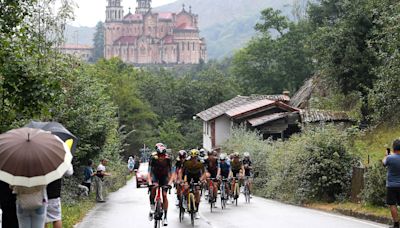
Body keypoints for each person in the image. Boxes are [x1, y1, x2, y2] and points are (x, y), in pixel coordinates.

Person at [148, 143, 173, 226]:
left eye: (162, 155)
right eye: (159, 155)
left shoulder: (168, 159)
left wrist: (169, 183)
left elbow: (171, 173)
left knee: (165, 195)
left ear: (165, 155)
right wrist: (150, 182)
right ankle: (152, 206)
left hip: (164, 176)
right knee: (154, 188)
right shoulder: (153, 158)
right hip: (155, 175)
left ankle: (165, 217)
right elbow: (149, 172)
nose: (161, 157)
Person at [181, 149, 206, 219]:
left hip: (197, 175)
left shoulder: (201, 161)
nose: (193, 159)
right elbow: (184, 173)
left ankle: (197, 211)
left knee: (197, 192)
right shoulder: (187, 161)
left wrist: (201, 180)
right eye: (192, 158)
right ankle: (184, 199)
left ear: (197, 157)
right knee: (186, 188)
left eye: (195, 158)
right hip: (188, 174)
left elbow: (204, 173)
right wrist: (185, 182)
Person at [383, 139, 400, 228]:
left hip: (391, 185)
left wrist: (386, 155)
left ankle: (396, 224)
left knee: (392, 204)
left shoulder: (390, 158)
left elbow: (384, 163)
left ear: (393, 148)